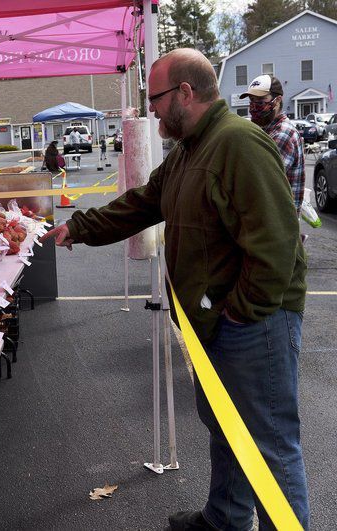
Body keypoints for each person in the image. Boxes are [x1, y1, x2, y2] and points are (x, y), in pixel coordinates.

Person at [42, 48, 309, 531]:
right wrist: (76, 228)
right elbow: (144, 203)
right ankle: (226, 518)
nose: (152, 111)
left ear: (186, 92)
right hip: (218, 319)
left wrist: (241, 312)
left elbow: (277, 244)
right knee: (227, 430)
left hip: (253, 324)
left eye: (156, 99)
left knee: (269, 446)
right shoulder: (190, 150)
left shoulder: (239, 144)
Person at [241, 74, 305, 215]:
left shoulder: (283, 134)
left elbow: (258, 181)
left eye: (261, 99)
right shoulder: (265, 130)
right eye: (252, 100)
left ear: (277, 100)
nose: (254, 105)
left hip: (277, 222)